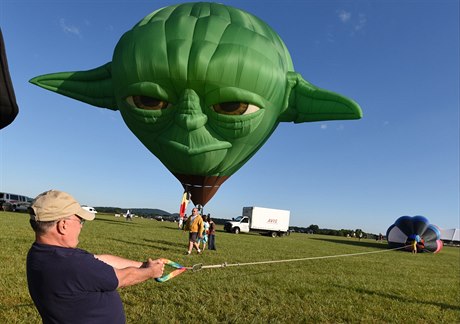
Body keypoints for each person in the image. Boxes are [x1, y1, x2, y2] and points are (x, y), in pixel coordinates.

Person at [26, 190, 165, 324]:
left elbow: (99, 259)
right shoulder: (73, 263)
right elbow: (123, 277)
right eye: (80, 221)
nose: (81, 227)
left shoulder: (40, 253)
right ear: (63, 225)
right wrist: (151, 272)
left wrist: (142, 265)